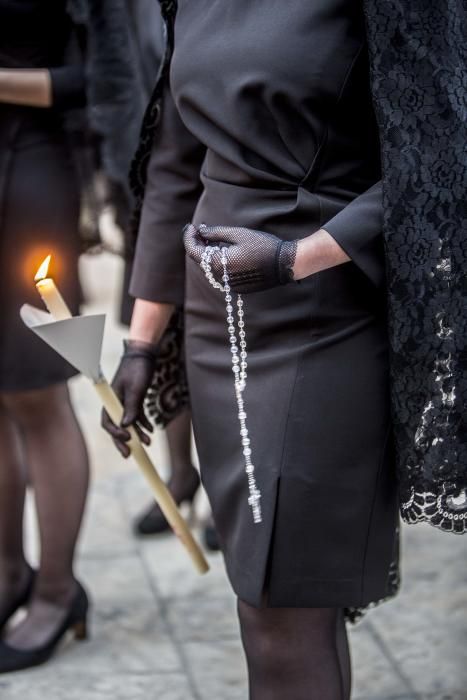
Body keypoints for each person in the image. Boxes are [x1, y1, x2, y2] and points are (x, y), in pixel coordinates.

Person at [103, 1, 465, 698]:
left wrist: (299, 256)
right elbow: (177, 167)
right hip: (215, 331)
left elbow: (442, 150)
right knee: (277, 601)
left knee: (279, 615)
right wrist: (143, 344)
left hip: (326, 315)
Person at [0, 0, 143, 673]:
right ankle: (8, 576)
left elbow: (105, 80)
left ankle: (58, 591)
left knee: (37, 394)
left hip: (28, 173)